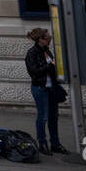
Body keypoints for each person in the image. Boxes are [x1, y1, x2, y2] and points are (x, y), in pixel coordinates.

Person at [25, 27, 67, 156]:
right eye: (48, 39)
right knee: (43, 117)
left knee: (53, 117)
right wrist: (50, 66)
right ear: (40, 40)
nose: (50, 41)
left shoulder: (47, 51)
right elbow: (34, 71)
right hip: (40, 87)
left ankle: (55, 143)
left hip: (51, 88)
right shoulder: (32, 53)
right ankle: (42, 143)